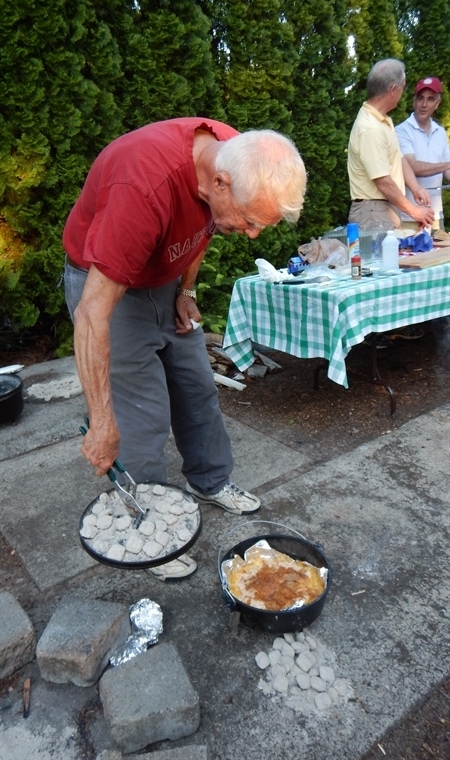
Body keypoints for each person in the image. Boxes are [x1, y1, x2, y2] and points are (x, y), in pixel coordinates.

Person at [63, 117, 307, 579]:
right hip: (107, 284)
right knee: (140, 412)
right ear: (219, 182)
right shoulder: (144, 185)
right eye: (252, 221)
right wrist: (100, 420)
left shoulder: (238, 154)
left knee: (197, 387)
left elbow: (204, 229)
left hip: (163, 279)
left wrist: (186, 290)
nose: (253, 234)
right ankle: (152, 525)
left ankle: (210, 481)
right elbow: (92, 314)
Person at [347, 58, 435, 232]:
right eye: (403, 87)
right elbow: (383, 182)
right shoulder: (370, 128)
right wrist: (415, 211)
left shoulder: (383, 120)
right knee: (381, 260)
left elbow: (399, 158)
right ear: (393, 89)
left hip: (381, 210)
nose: (403, 92)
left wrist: (416, 188)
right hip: (372, 212)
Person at [395, 76, 450, 232]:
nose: (424, 104)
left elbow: (448, 173)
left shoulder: (440, 132)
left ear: (437, 104)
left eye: (430, 99)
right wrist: (447, 165)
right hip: (409, 217)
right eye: (420, 98)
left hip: (435, 217)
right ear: (414, 100)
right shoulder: (401, 130)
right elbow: (412, 167)